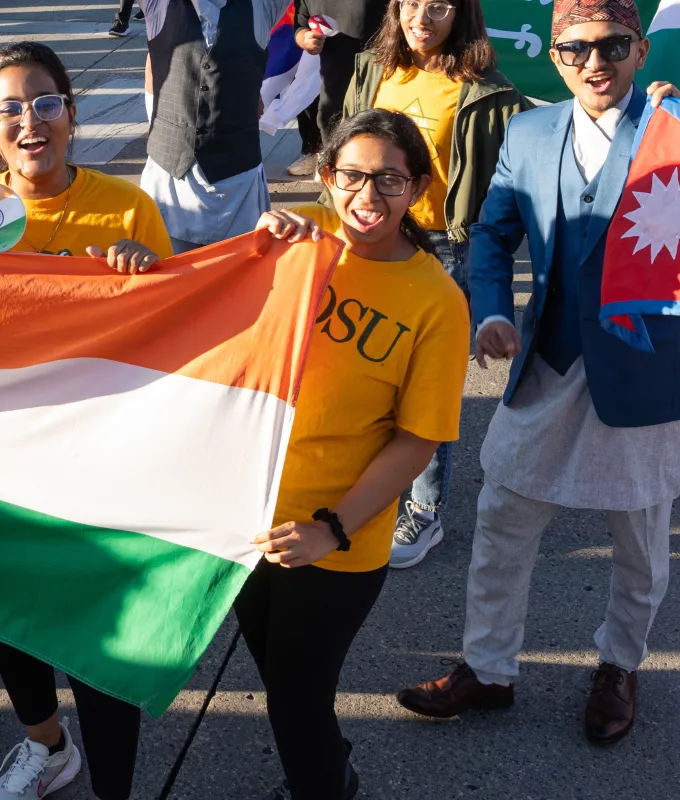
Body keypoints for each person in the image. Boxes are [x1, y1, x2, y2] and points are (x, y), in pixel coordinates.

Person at [397, 0, 680, 746]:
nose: (596, 62)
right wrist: (489, 308)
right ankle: (488, 668)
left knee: (642, 538)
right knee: (502, 517)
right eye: (577, 48)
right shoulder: (528, 130)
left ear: (640, 50)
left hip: (644, 364)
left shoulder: (672, 129)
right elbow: (494, 231)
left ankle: (619, 667)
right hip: (548, 357)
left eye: (614, 45)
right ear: (554, 57)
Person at [0, 42, 172, 800]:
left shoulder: (127, 207)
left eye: (46, 103)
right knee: (12, 617)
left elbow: (177, 336)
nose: (30, 120)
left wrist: (148, 275)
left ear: (71, 115)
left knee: (96, 641)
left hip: (100, 467)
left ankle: (114, 791)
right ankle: (47, 746)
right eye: (9, 107)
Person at [249, 109, 468, 800]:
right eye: (352, 176)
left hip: (337, 541)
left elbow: (417, 439)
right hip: (249, 521)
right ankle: (327, 763)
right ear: (325, 176)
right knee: (283, 681)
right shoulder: (296, 252)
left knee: (294, 696)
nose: (367, 197)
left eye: (390, 180)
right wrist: (254, 248)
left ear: (418, 188)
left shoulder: (436, 299)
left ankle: (324, 786)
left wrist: (332, 528)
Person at [342, 0, 531, 569]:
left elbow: (517, 173)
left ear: (462, 14)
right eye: (411, 4)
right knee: (367, 366)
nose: (422, 17)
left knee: (427, 384)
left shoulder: (488, 92)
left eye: (440, 7)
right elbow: (347, 144)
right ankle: (370, 487)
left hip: (445, 247)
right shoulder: (373, 69)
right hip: (372, 237)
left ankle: (424, 509)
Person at [140, 0, 283, 251]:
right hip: (170, 177)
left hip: (238, 184)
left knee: (238, 281)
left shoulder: (262, 5)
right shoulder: (159, 4)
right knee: (166, 279)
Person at [287, 0, 390, 176]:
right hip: (334, 93)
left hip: (381, 82)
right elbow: (300, 25)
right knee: (331, 126)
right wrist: (306, 39)